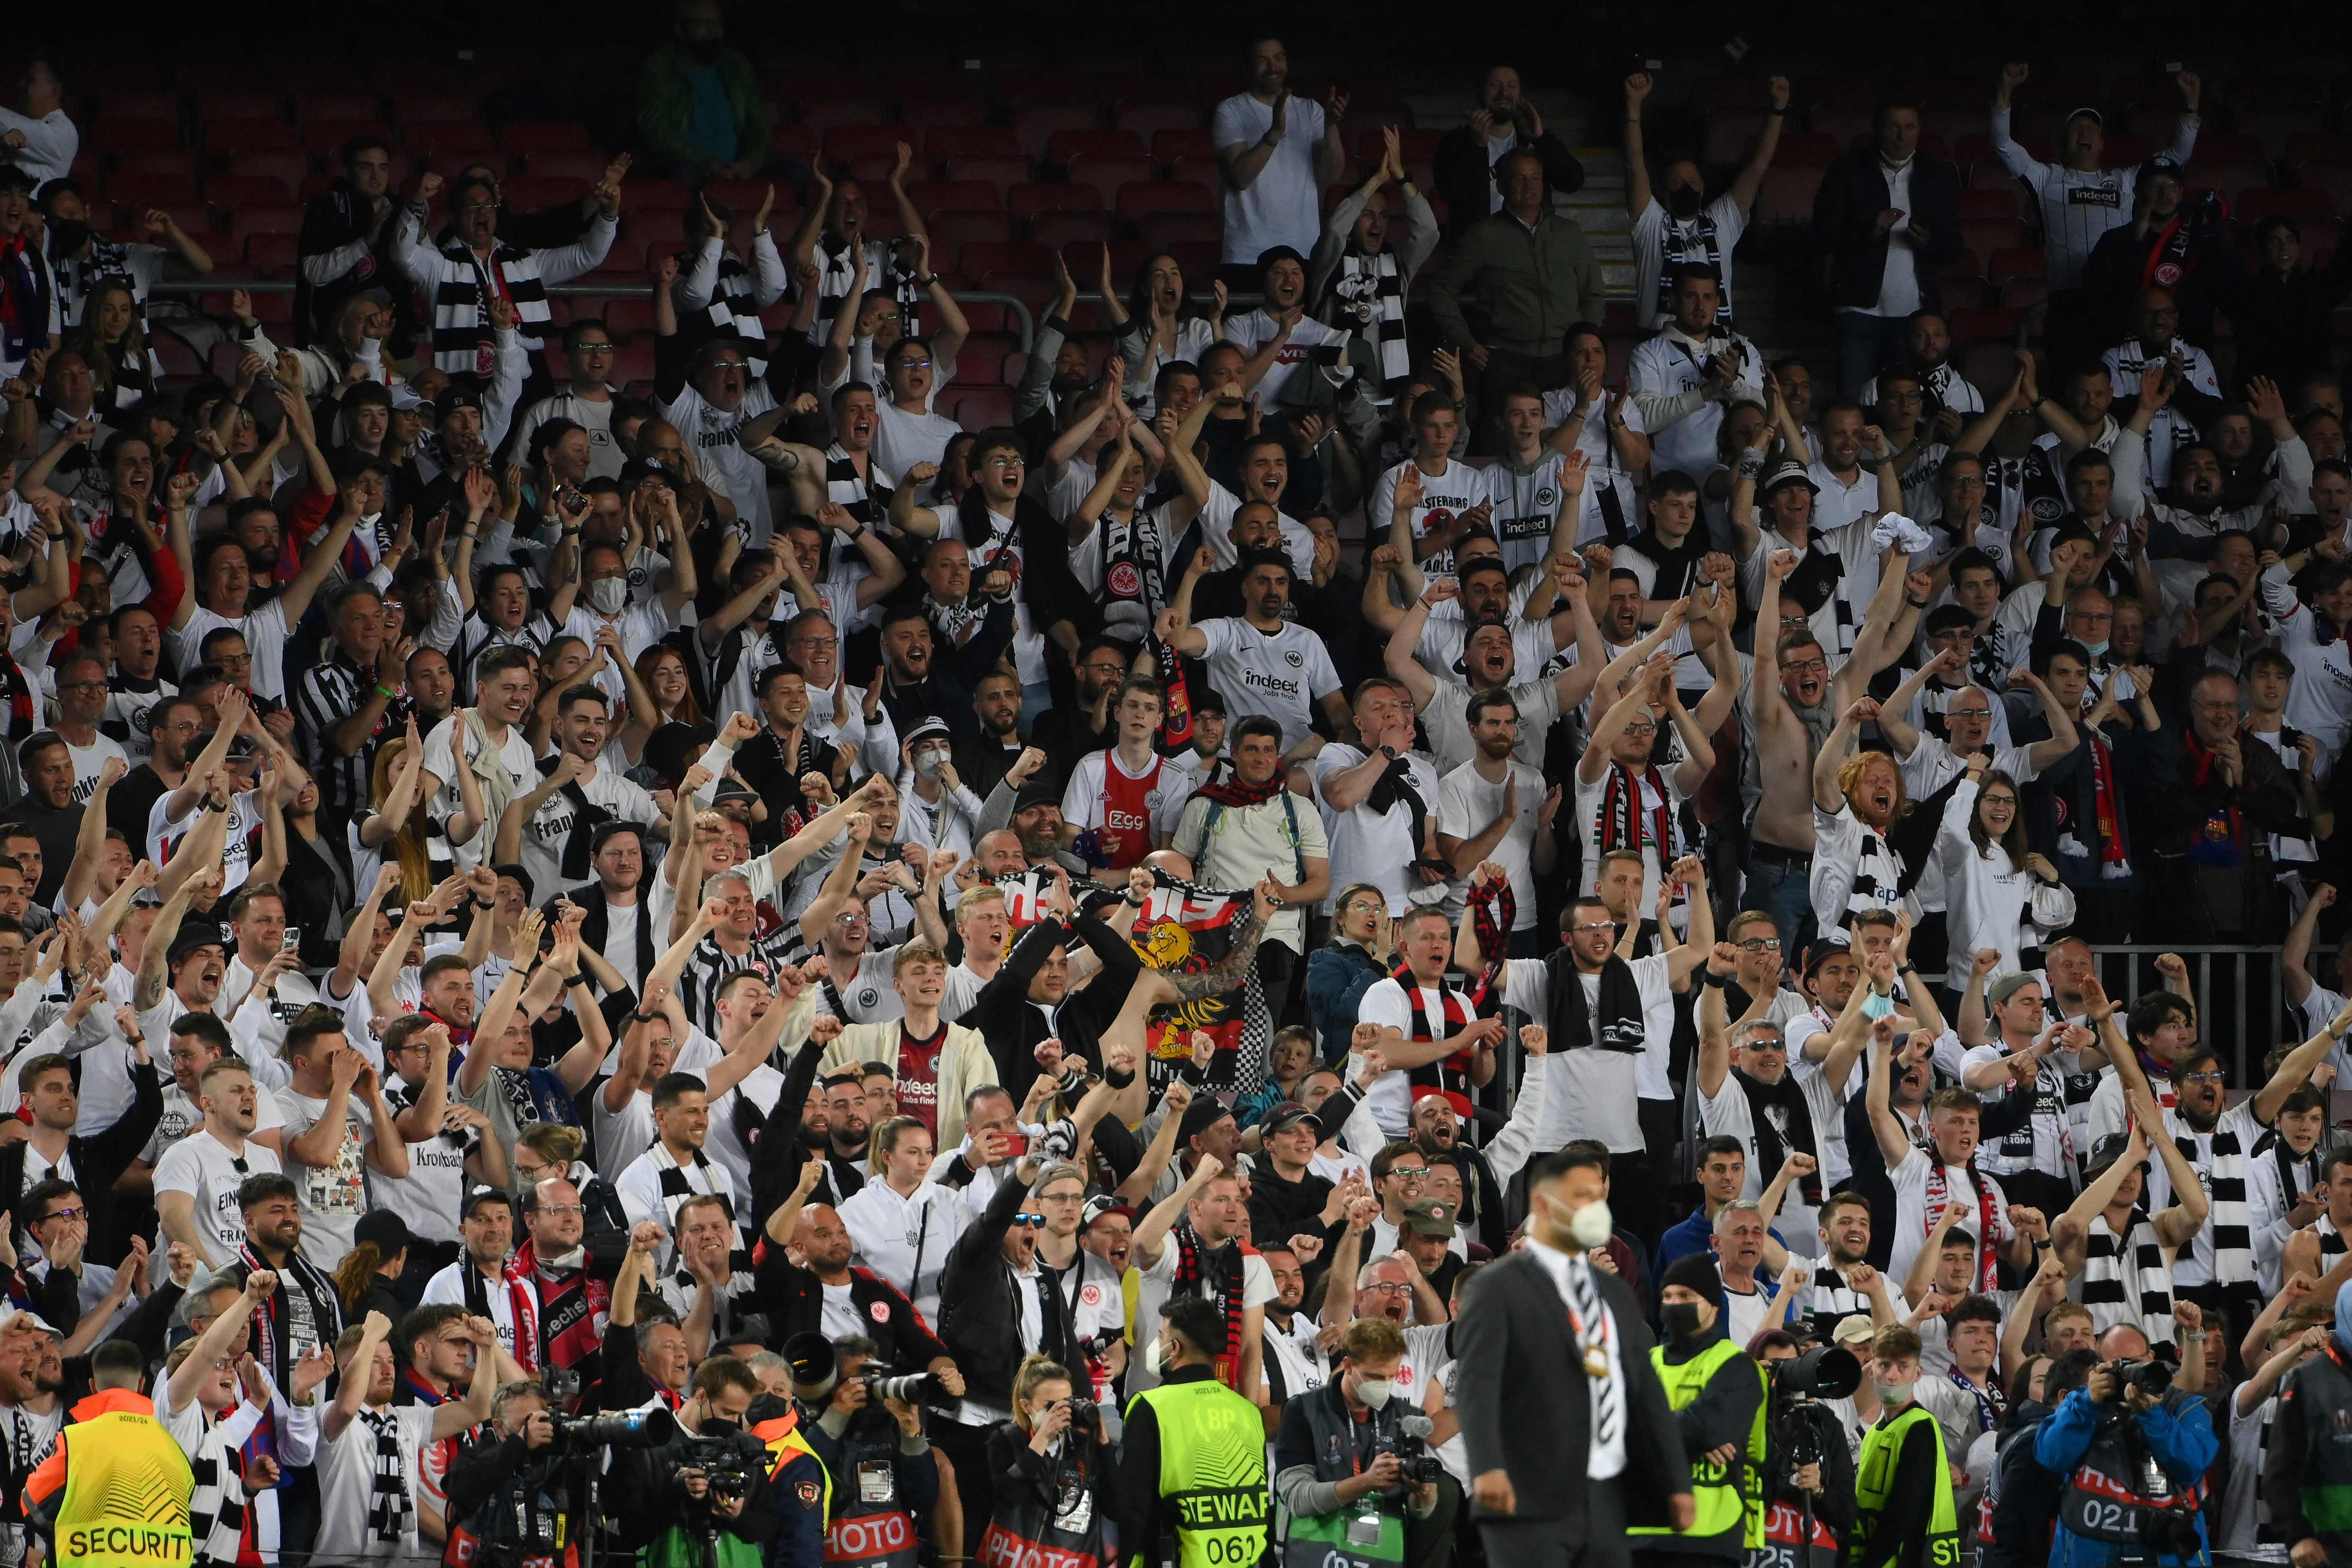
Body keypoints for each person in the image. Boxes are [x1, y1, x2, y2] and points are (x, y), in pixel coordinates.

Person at [1454, 1149, 1695, 1568]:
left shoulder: (1615, 1292)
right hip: (1524, 1493)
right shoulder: (1496, 1287)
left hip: (1604, 1499)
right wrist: (1488, 1466)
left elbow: (1646, 1392)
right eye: (1578, 1196)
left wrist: (1677, 1480)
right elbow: (1478, 1383)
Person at [1427, 148, 1607, 408]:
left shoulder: (1568, 233)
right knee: (1501, 443)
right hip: (1506, 360)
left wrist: (1584, 342)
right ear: (1501, 185)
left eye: (1536, 178)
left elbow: (1593, 294)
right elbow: (1441, 291)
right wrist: (1468, 343)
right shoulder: (1484, 235)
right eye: (1519, 178)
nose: (1529, 185)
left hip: (1563, 358)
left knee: (1567, 441)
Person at [1273, 1315, 1455, 1568]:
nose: (1385, 1385)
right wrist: (1366, 1482)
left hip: (1380, 1558)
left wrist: (1424, 1496)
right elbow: (1297, 1499)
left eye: (1391, 1376)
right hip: (1313, 1554)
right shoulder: (1304, 1410)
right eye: (1375, 1377)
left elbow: (1420, 1512)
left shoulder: (1406, 1418)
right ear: (1348, 1366)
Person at [1810, 98, 1963, 398]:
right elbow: (1822, 236)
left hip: (1915, 317)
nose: (1902, 135)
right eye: (1894, 127)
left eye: (1910, 127)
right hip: (1858, 310)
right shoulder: (1848, 170)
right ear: (1878, 130)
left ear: (1919, 131)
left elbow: (1954, 248)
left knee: (1905, 408)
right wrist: (1872, 230)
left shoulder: (1938, 175)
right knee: (1853, 407)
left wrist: (1927, 243)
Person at [1630, 1253, 1767, 1564]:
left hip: (1707, 1536)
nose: (1675, 1304)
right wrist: (1692, 1437)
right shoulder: (1645, 1363)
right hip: (1641, 1530)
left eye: (1686, 1296)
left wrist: (1644, 1432)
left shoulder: (1738, 1366)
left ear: (1714, 1306)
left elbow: (1712, 1427)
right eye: (1668, 1296)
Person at [1119, 1296, 1272, 1568]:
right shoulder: (1248, 1411)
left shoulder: (1150, 1407)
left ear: (1175, 1347)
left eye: (1160, 1336)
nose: (1156, 1345)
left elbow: (1134, 1509)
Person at [2037, 1346, 2218, 1566]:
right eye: (2120, 1363)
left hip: (2168, 1555)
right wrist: (2087, 1405)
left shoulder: (2184, 1407)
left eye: (2137, 1361)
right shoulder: (2084, 1404)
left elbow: (2192, 1465)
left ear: (2151, 1359)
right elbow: (2050, 1457)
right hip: (2087, 1555)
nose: (2131, 1372)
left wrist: (2154, 1417)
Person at [22, 1338, 195, 1567]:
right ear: (142, 1385)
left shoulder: (76, 1440)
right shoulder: (175, 1450)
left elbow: (32, 1506)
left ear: (92, 1386)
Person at [1211, 39, 1347, 273]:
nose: (1273, 67)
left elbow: (1332, 174)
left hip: (1304, 251)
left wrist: (1331, 126)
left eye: (1279, 58)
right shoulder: (1231, 110)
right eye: (1262, 60)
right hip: (1248, 253)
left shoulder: (1311, 110)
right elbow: (1241, 177)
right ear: (1249, 67)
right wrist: (1274, 133)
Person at [981, 1355, 1120, 1568]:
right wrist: (1042, 1439)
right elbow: (1008, 1496)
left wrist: (1103, 1446)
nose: (1061, 1412)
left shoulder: (1084, 1447)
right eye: (1051, 1406)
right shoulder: (1005, 1439)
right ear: (1027, 1406)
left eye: (1066, 1403)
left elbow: (1116, 1509)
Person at [1846, 1325, 1959, 1568]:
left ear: (1918, 1373)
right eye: (1885, 1365)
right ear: (1871, 1369)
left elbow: (1904, 1512)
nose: (1892, 1375)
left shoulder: (1920, 1426)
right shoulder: (1876, 1431)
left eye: (1903, 1366)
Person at [1432, 64, 1586, 238]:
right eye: (1495, 85)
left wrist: (1541, 139)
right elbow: (1451, 193)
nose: (1504, 94)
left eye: (1511, 86)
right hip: (1477, 248)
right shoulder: (1455, 142)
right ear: (1481, 92)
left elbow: (1573, 182)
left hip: (1529, 246)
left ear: (1520, 94)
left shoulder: (1533, 142)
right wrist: (1477, 148)